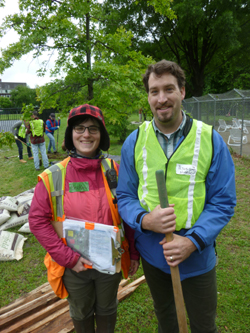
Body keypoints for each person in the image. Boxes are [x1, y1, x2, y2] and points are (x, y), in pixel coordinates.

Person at [116, 60, 236, 333]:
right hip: (153, 254)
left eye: (169, 89)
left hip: (196, 256)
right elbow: (124, 195)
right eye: (154, 91)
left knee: (204, 325)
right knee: (166, 319)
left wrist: (192, 241)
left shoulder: (210, 139)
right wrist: (146, 220)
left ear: (182, 91)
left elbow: (223, 202)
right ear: (147, 96)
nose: (161, 99)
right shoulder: (134, 141)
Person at [29, 104, 140, 333]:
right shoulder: (53, 177)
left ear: (101, 135)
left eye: (93, 128)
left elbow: (129, 214)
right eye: (79, 128)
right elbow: (38, 221)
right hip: (73, 265)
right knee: (81, 311)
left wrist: (134, 253)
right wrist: (67, 258)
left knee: (108, 307)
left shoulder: (115, 171)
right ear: (71, 135)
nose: (86, 134)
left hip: (110, 259)